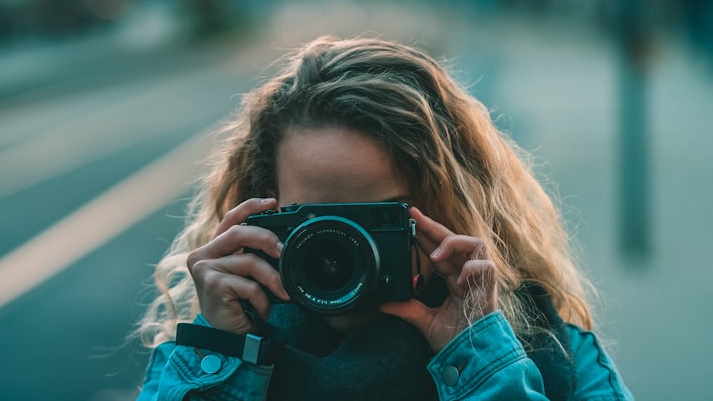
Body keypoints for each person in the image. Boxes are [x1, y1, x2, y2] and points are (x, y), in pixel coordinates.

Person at [136, 36, 633, 400]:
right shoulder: (222, 356)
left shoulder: (556, 356)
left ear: (447, 210)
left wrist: (481, 358)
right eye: (317, 220)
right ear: (265, 213)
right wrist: (222, 351)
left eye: (379, 218)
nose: (341, 253)